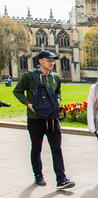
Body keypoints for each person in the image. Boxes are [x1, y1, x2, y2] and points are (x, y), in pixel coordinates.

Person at [13, 50, 75, 189]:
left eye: (53, 61)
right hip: (35, 119)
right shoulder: (29, 76)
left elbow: (58, 92)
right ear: (40, 60)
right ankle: (38, 175)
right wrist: (29, 104)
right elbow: (17, 91)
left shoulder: (55, 77)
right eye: (49, 60)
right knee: (36, 147)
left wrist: (58, 100)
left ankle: (61, 178)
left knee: (57, 148)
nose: (52, 63)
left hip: (52, 118)